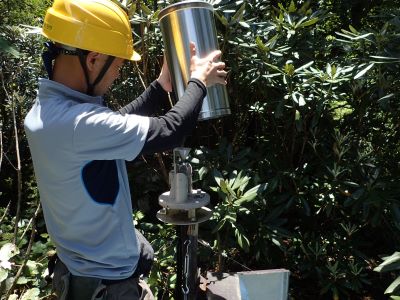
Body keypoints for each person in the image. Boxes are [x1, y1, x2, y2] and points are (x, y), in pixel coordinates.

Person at [23, 0, 227, 299]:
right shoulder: (76, 124)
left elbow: (111, 126)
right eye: (117, 66)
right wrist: (199, 80)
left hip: (84, 271)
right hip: (107, 285)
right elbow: (169, 131)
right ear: (93, 60)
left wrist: (161, 86)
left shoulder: (50, 111)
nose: (117, 75)